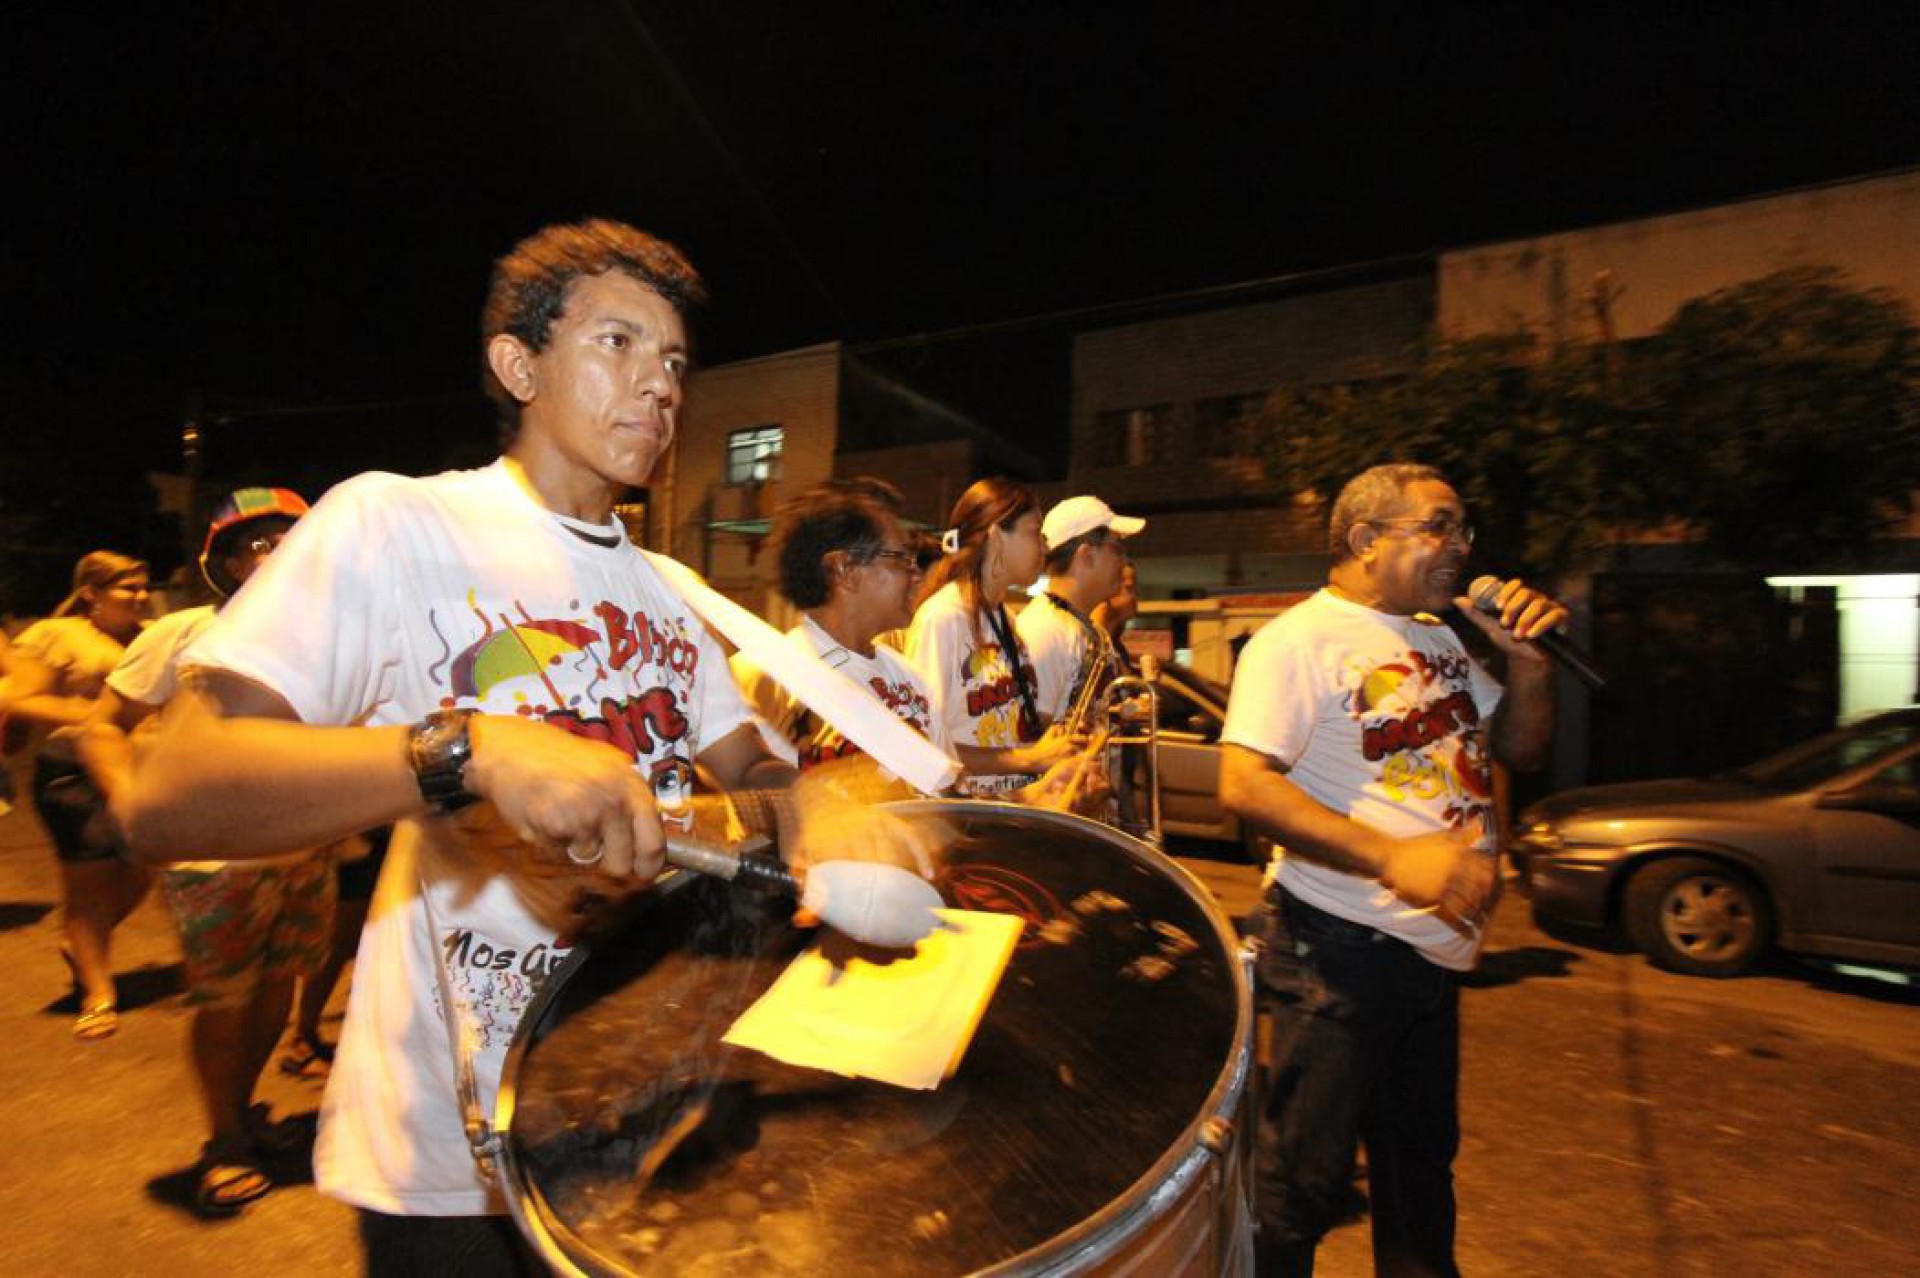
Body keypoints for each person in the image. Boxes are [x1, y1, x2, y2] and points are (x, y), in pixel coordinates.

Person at [122, 219, 844, 1272]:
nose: (660, 386)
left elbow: (759, 769)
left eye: (676, 361)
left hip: (641, 1121)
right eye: (618, 344)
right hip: (454, 1161)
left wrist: (821, 812)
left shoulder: (668, 595)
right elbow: (169, 793)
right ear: (519, 365)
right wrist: (467, 751)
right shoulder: (396, 523)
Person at [1218, 463, 1566, 1277]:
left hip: (1430, 955)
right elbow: (1244, 784)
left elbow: (1522, 749)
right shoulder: (1296, 642)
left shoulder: (1438, 635)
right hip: (1337, 948)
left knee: (1418, 1178)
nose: (1461, 547)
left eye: (1465, 530)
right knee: (1300, 1187)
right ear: (1367, 541)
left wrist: (1530, 664)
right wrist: (1391, 854)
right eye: (1439, 527)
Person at [80, 487, 333, 1215]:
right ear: (223, 560)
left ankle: (243, 1110)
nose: (279, 552)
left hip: (302, 848)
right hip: (214, 857)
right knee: (225, 1001)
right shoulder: (186, 632)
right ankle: (222, 1139)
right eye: (259, 543)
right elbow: (103, 725)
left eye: (292, 537)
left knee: (278, 992)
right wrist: (129, 803)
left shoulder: (331, 633)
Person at [734, 478, 1096, 807]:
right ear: (844, 570)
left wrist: (1036, 798)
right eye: (900, 558)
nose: (916, 571)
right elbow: (751, 811)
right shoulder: (769, 674)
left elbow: (947, 796)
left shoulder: (909, 680)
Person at [8, 551, 152, 1038]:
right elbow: (16, 698)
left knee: (144, 868)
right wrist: (93, 720)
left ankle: (84, 943)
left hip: (136, 771)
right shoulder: (59, 634)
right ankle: (98, 993)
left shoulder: (149, 636)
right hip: (71, 777)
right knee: (88, 887)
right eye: (126, 588)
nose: (139, 596)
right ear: (90, 593)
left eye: (141, 586)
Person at [904, 477, 1074, 797]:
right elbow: (922, 743)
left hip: (1006, 808)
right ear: (996, 535)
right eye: (1035, 531)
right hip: (966, 818)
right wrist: (1027, 759)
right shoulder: (943, 619)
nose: (1045, 546)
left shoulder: (1006, 619)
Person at [1016, 495, 1144, 728]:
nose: (1124, 561)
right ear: (1086, 555)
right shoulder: (1044, 631)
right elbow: (1033, 736)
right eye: (1116, 548)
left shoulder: (1086, 629)